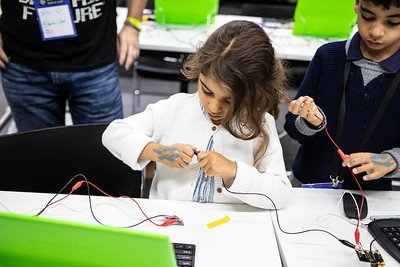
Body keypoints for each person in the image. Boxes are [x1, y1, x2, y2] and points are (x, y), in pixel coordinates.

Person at [102, 20, 292, 209]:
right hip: (169, 221)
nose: (214, 107)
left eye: (228, 100)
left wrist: (233, 171)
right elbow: (114, 133)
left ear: (254, 92)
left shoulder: (259, 124)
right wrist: (160, 152)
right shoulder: (176, 108)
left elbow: (281, 194)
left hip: (229, 228)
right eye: (206, 91)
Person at [284, 0, 400, 190]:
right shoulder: (328, 57)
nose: (376, 32)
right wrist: (309, 122)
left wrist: (391, 161)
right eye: (368, 17)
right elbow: (292, 125)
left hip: (371, 198)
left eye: (393, 22)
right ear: (356, 5)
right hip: (307, 186)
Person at [0, 0, 147, 132]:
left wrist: (133, 24)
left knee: (105, 154)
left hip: (95, 62)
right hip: (24, 65)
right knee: (40, 156)